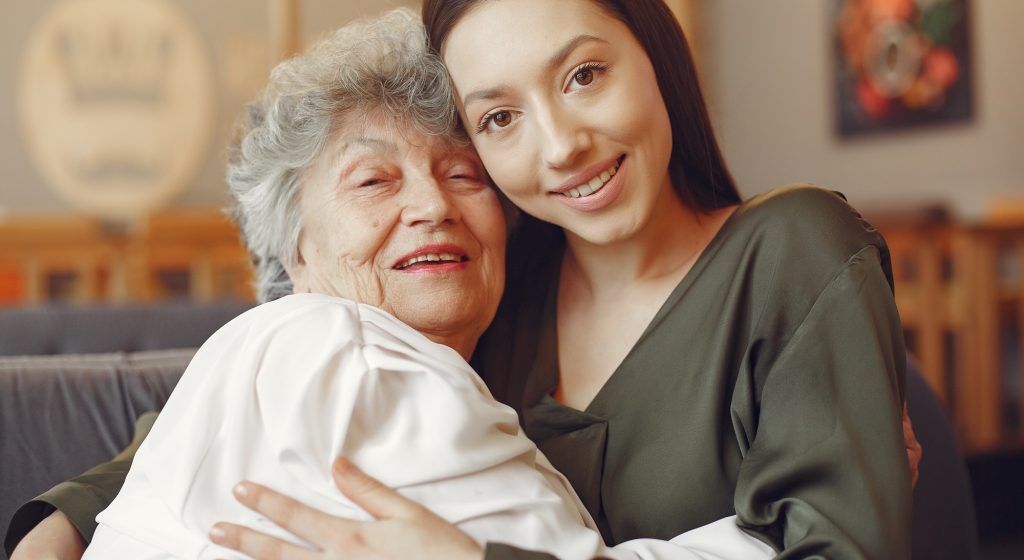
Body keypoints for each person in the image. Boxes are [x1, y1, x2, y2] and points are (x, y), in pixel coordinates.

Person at [6, 1, 920, 559]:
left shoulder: (792, 249)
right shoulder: (479, 300)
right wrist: (66, 523)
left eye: (587, 74)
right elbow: (228, 408)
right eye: (500, 119)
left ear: (659, 57)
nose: (560, 145)